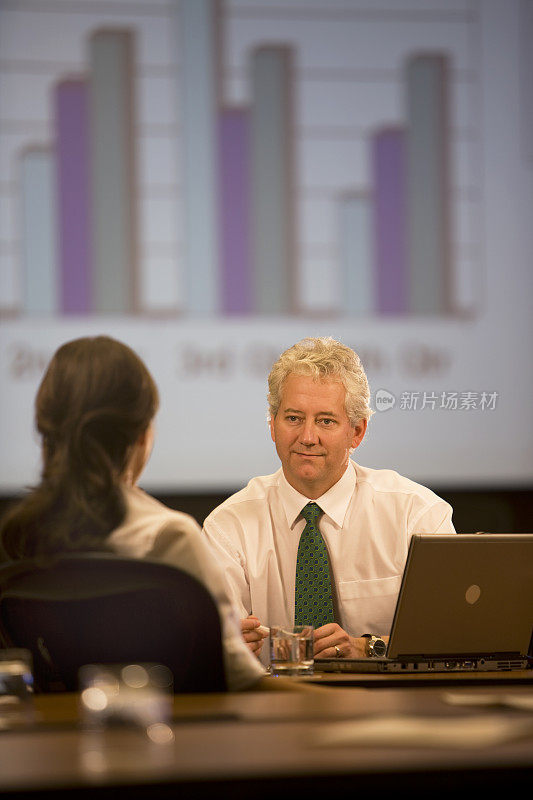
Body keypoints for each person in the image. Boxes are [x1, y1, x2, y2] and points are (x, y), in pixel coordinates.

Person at [0, 336, 265, 691]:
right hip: (182, 740)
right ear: (142, 434)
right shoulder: (168, 537)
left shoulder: (20, 536)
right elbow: (242, 682)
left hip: (60, 739)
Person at [203, 337, 455, 665]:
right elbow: (212, 644)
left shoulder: (416, 514)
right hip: (275, 707)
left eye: (326, 421)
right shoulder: (229, 526)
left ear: (357, 432)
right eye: (293, 418)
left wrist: (366, 648)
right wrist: (228, 650)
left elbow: (453, 635)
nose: (307, 437)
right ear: (272, 425)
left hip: (391, 710)